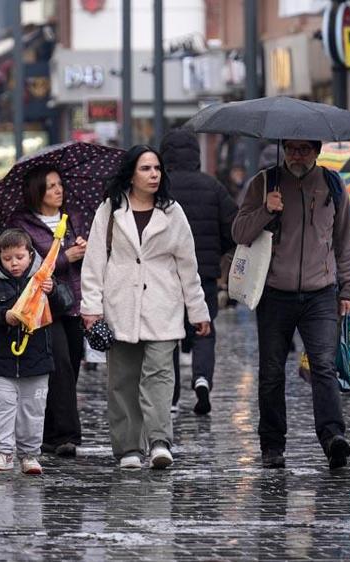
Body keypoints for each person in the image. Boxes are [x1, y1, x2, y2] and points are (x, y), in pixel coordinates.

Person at [80, 145, 210, 470]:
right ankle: (128, 448)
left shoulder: (172, 211)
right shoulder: (110, 210)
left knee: (160, 376)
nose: (153, 174)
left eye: (157, 168)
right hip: (119, 305)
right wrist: (91, 308)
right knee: (122, 380)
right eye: (145, 169)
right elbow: (95, 261)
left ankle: (160, 441)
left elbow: (187, 265)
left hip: (163, 305)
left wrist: (198, 311)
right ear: (131, 174)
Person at [232, 139, 350, 470]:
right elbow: (239, 232)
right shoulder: (264, 182)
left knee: (324, 366)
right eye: (291, 148)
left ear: (316, 151)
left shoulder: (333, 184)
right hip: (275, 292)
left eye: (304, 149)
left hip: (321, 293)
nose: (296, 155)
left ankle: (333, 438)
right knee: (272, 372)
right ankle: (272, 444)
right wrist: (266, 210)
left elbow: (345, 242)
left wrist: (348, 291)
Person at [8, 165, 87, 457]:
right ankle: (66, 435)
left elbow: (85, 255)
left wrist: (83, 245)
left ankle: (50, 433)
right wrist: (66, 257)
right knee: (60, 366)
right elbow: (27, 266)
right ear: (37, 191)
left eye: (59, 184)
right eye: (51, 186)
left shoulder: (74, 217)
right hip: (43, 307)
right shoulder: (22, 225)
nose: (58, 190)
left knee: (71, 367)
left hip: (74, 302)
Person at [0, 229, 66, 476]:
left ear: (30, 255)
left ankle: (30, 454)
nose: (14, 263)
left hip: (36, 360)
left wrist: (53, 291)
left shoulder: (43, 280)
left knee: (32, 410)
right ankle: (2, 452)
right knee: (3, 407)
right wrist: (4, 315)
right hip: (2, 360)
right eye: (7, 258)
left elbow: (65, 304)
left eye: (19, 257)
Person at [160, 129, 238, 415]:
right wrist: (216, 253)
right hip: (203, 271)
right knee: (203, 328)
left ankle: (170, 397)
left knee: (167, 333)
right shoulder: (212, 186)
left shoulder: (159, 188)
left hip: (164, 274)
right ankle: (202, 378)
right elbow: (234, 228)